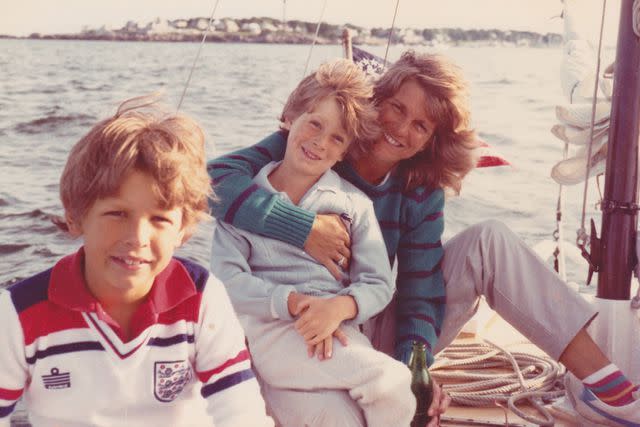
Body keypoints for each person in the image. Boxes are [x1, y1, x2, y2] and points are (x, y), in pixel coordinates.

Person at [208, 51, 640, 426]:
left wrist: (415, 369)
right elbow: (212, 179)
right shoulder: (324, 140)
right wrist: (302, 228)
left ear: (432, 141)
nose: (401, 128)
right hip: (292, 321)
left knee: (490, 239)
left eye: (422, 126)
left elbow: (418, 289)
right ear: (374, 102)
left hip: (363, 318)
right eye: (396, 107)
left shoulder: (420, 188)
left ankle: (609, 392)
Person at [0, 96, 273, 427]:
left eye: (159, 219)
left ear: (183, 229)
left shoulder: (201, 297)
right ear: (75, 217)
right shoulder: (20, 312)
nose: (137, 237)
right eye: (116, 213)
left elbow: (239, 410)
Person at [210, 59, 415, 427]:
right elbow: (227, 283)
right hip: (271, 333)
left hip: (339, 331)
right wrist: (293, 304)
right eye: (314, 124)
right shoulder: (243, 202)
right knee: (394, 383)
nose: (320, 142)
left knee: (340, 419)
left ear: (345, 152)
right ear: (290, 117)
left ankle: (272, 397)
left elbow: (379, 283)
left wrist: (339, 307)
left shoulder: (354, 205)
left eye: (337, 138)